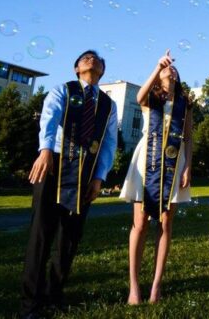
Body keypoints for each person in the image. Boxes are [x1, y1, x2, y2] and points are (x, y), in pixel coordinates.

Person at [20, 50, 118, 319]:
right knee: (41, 234)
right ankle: (31, 303)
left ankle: (55, 295)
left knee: (70, 238)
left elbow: (109, 143)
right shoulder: (62, 90)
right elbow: (48, 119)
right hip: (54, 165)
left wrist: (99, 177)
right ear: (76, 68)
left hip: (85, 171)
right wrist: (45, 151)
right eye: (85, 58)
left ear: (102, 71)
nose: (91, 59)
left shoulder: (108, 105)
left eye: (96, 58)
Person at [119, 50, 193, 304]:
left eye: (171, 69)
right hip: (147, 161)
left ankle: (156, 286)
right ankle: (134, 287)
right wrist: (156, 66)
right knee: (140, 224)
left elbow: (189, 137)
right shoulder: (150, 98)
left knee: (165, 224)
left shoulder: (185, 102)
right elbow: (139, 95)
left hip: (175, 163)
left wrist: (188, 167)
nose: (169, 70)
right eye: (164, 69)